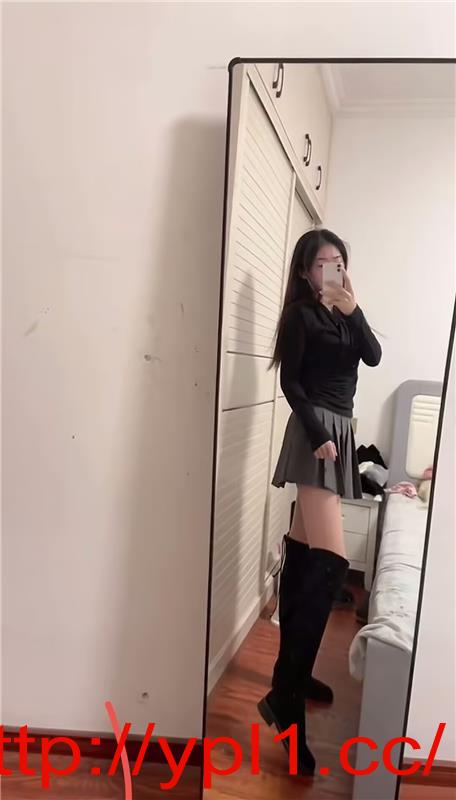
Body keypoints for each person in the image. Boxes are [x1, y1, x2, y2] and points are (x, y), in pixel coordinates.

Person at [257, 228, 382, 775]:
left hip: (341, 430)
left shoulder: (346, 313)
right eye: (322, 263)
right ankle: (286, 699)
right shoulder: (300, 316)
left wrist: (354, 310)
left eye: (339, 261)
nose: (332, 269)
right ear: (306, 271)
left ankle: (289, 677)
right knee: (331, 564)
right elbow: (292, 384)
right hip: (317, 436)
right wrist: (317, 435)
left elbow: (373, 356)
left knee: (306, 554)